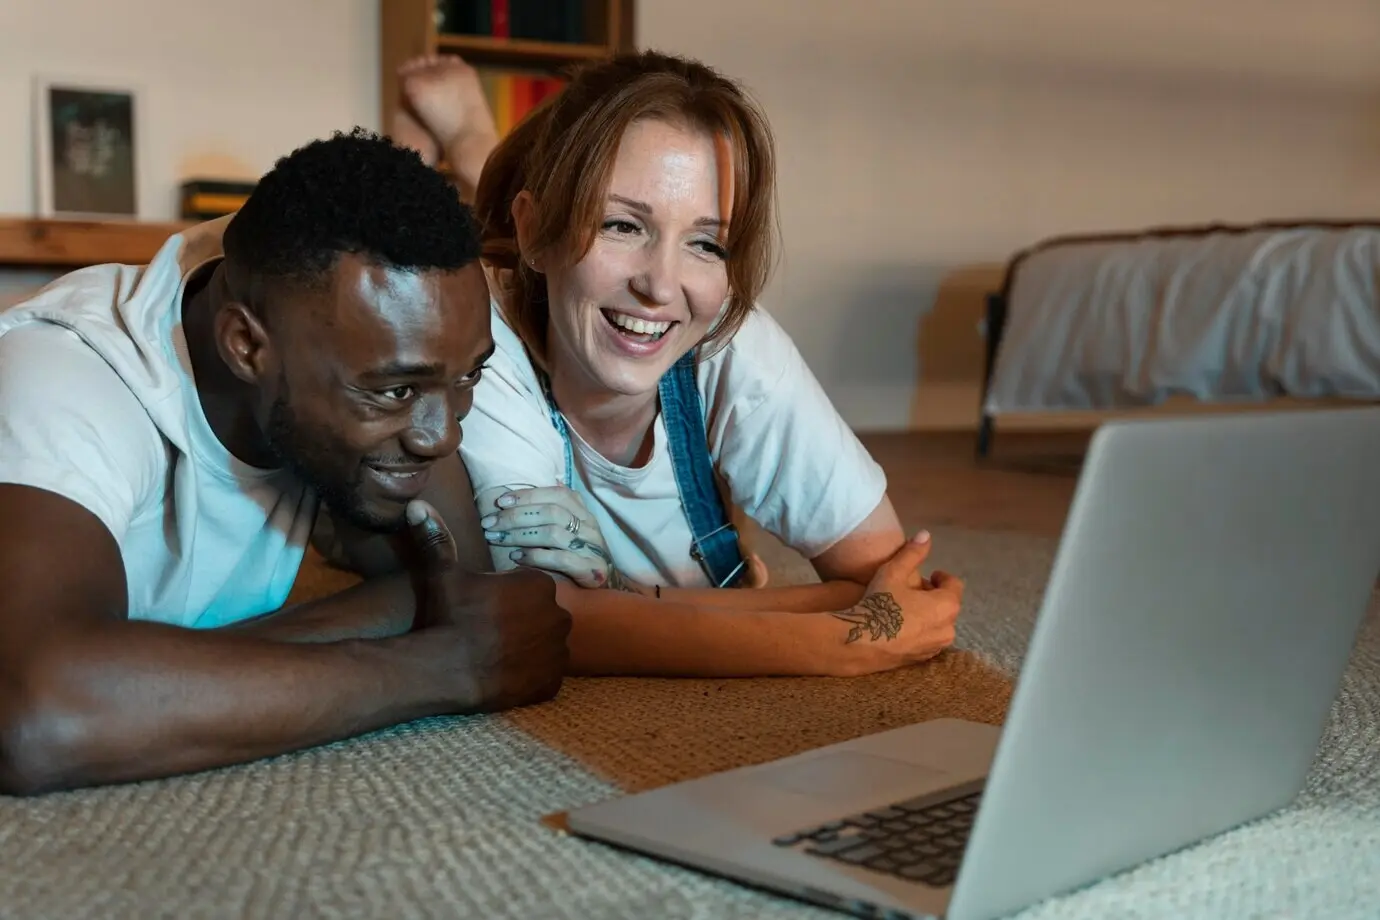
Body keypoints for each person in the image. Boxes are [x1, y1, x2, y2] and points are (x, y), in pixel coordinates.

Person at [0, 129, 571, 797]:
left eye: (468, 377)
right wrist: (443, 672)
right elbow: (36, 715)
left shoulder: (363, 339)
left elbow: (456, 592)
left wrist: (166, 671)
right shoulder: (65, 377)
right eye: (396, 390)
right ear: (245, 345)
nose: (441, 435)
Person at [391, 51, 966, 678]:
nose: (662, 288)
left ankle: (484, 151)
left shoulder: (733, 343)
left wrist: (633, 607)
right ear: (535, 230)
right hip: (495, 271)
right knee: (403, 267)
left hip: (543, 255)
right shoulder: (477, 343)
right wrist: (842, 642)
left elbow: (885, 576)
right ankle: (440, 155)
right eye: (620, 225)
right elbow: (540, 618)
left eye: (705, 242)